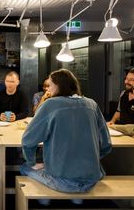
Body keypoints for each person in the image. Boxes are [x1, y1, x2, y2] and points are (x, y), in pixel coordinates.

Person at [21, 69, 112, 205]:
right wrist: (91, 160)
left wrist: (32, 162)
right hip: (91, 179)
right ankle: (76, 199)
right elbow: (106, 144)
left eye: (50, 85)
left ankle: (44, 198)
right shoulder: (92, 104)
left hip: (61, 180)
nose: (48, 89)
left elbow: (28, 140)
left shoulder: (50, 105)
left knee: (24, 167)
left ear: (58, 85)